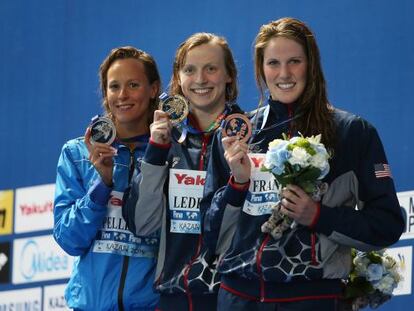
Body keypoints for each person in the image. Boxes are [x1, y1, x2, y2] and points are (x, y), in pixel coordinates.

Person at [202, 17, 405, 311]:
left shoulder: (351, 132)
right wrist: (238, 184)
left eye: (294, 61)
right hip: (238, 298)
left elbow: (386, 225)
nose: (284, 73)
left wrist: (319, 216)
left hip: (311, 299)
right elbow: (211, 237)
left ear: (311, 64)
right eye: (273, 63)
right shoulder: (239, 133)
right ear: (261, 69)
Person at [122, 33, 243, 311]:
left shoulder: (249, 138)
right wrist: (155, 152)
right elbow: (142, 224)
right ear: (178, 78)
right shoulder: (166, 142)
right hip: (174, 297)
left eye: (211, 68)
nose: (200, 79)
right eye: (190, 70)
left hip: (234, 296)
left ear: (229, 76)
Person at [53, 46, 161, 310]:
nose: (122, 95)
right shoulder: (78, 153)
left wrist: (160, 151)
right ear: (105, 93)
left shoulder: (172, 154)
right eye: (114, 87)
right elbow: (69, 239)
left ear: (154, 89)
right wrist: (101, 186)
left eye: (133, 85)